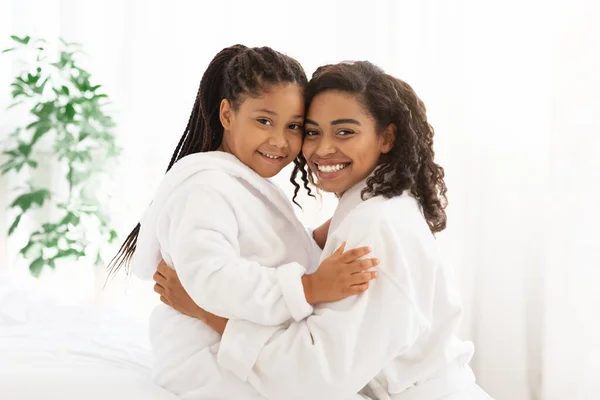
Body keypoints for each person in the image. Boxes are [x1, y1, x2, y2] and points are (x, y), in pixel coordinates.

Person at [159, 61, 493, 399]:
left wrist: (203, 311)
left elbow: (312, 376)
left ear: (387, 137)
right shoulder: (376, 208)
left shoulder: (376, 226)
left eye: (345, 131)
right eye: (313, 131)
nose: (322, 149)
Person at [108, 45, 377, 399]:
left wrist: (319, 237)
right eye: (264, 121)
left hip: (232, 348)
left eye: (294, 126)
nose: (279, 141)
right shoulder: (204, 188)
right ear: (227, 114)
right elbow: (214, 278)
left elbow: (262, 252)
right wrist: (308, 287)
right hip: (205, 361)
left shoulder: (241, 182)